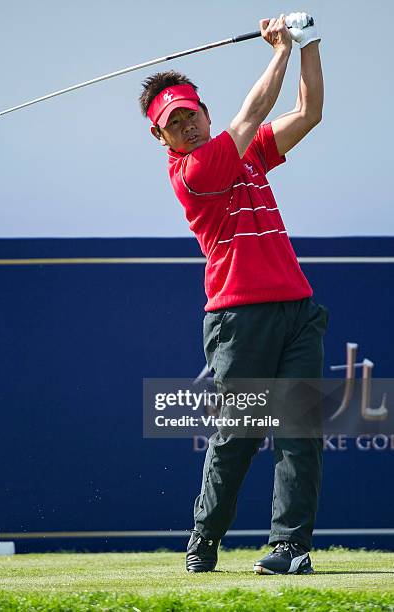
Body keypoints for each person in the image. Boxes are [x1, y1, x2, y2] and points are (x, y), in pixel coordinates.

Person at [139, 13, 328, 574]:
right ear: (160, 136)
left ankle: (290, 546)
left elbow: (309, 113)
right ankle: (205, 536)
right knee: (238, 434)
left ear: (203, 112)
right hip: (238, 317)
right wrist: (281, 48)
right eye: (174, 124)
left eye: (190, 116)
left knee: (300, 431)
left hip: (296, 308)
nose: (186, 128)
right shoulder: (195, 170)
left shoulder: (242, 152)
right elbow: (253, 113)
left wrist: (310, 42)